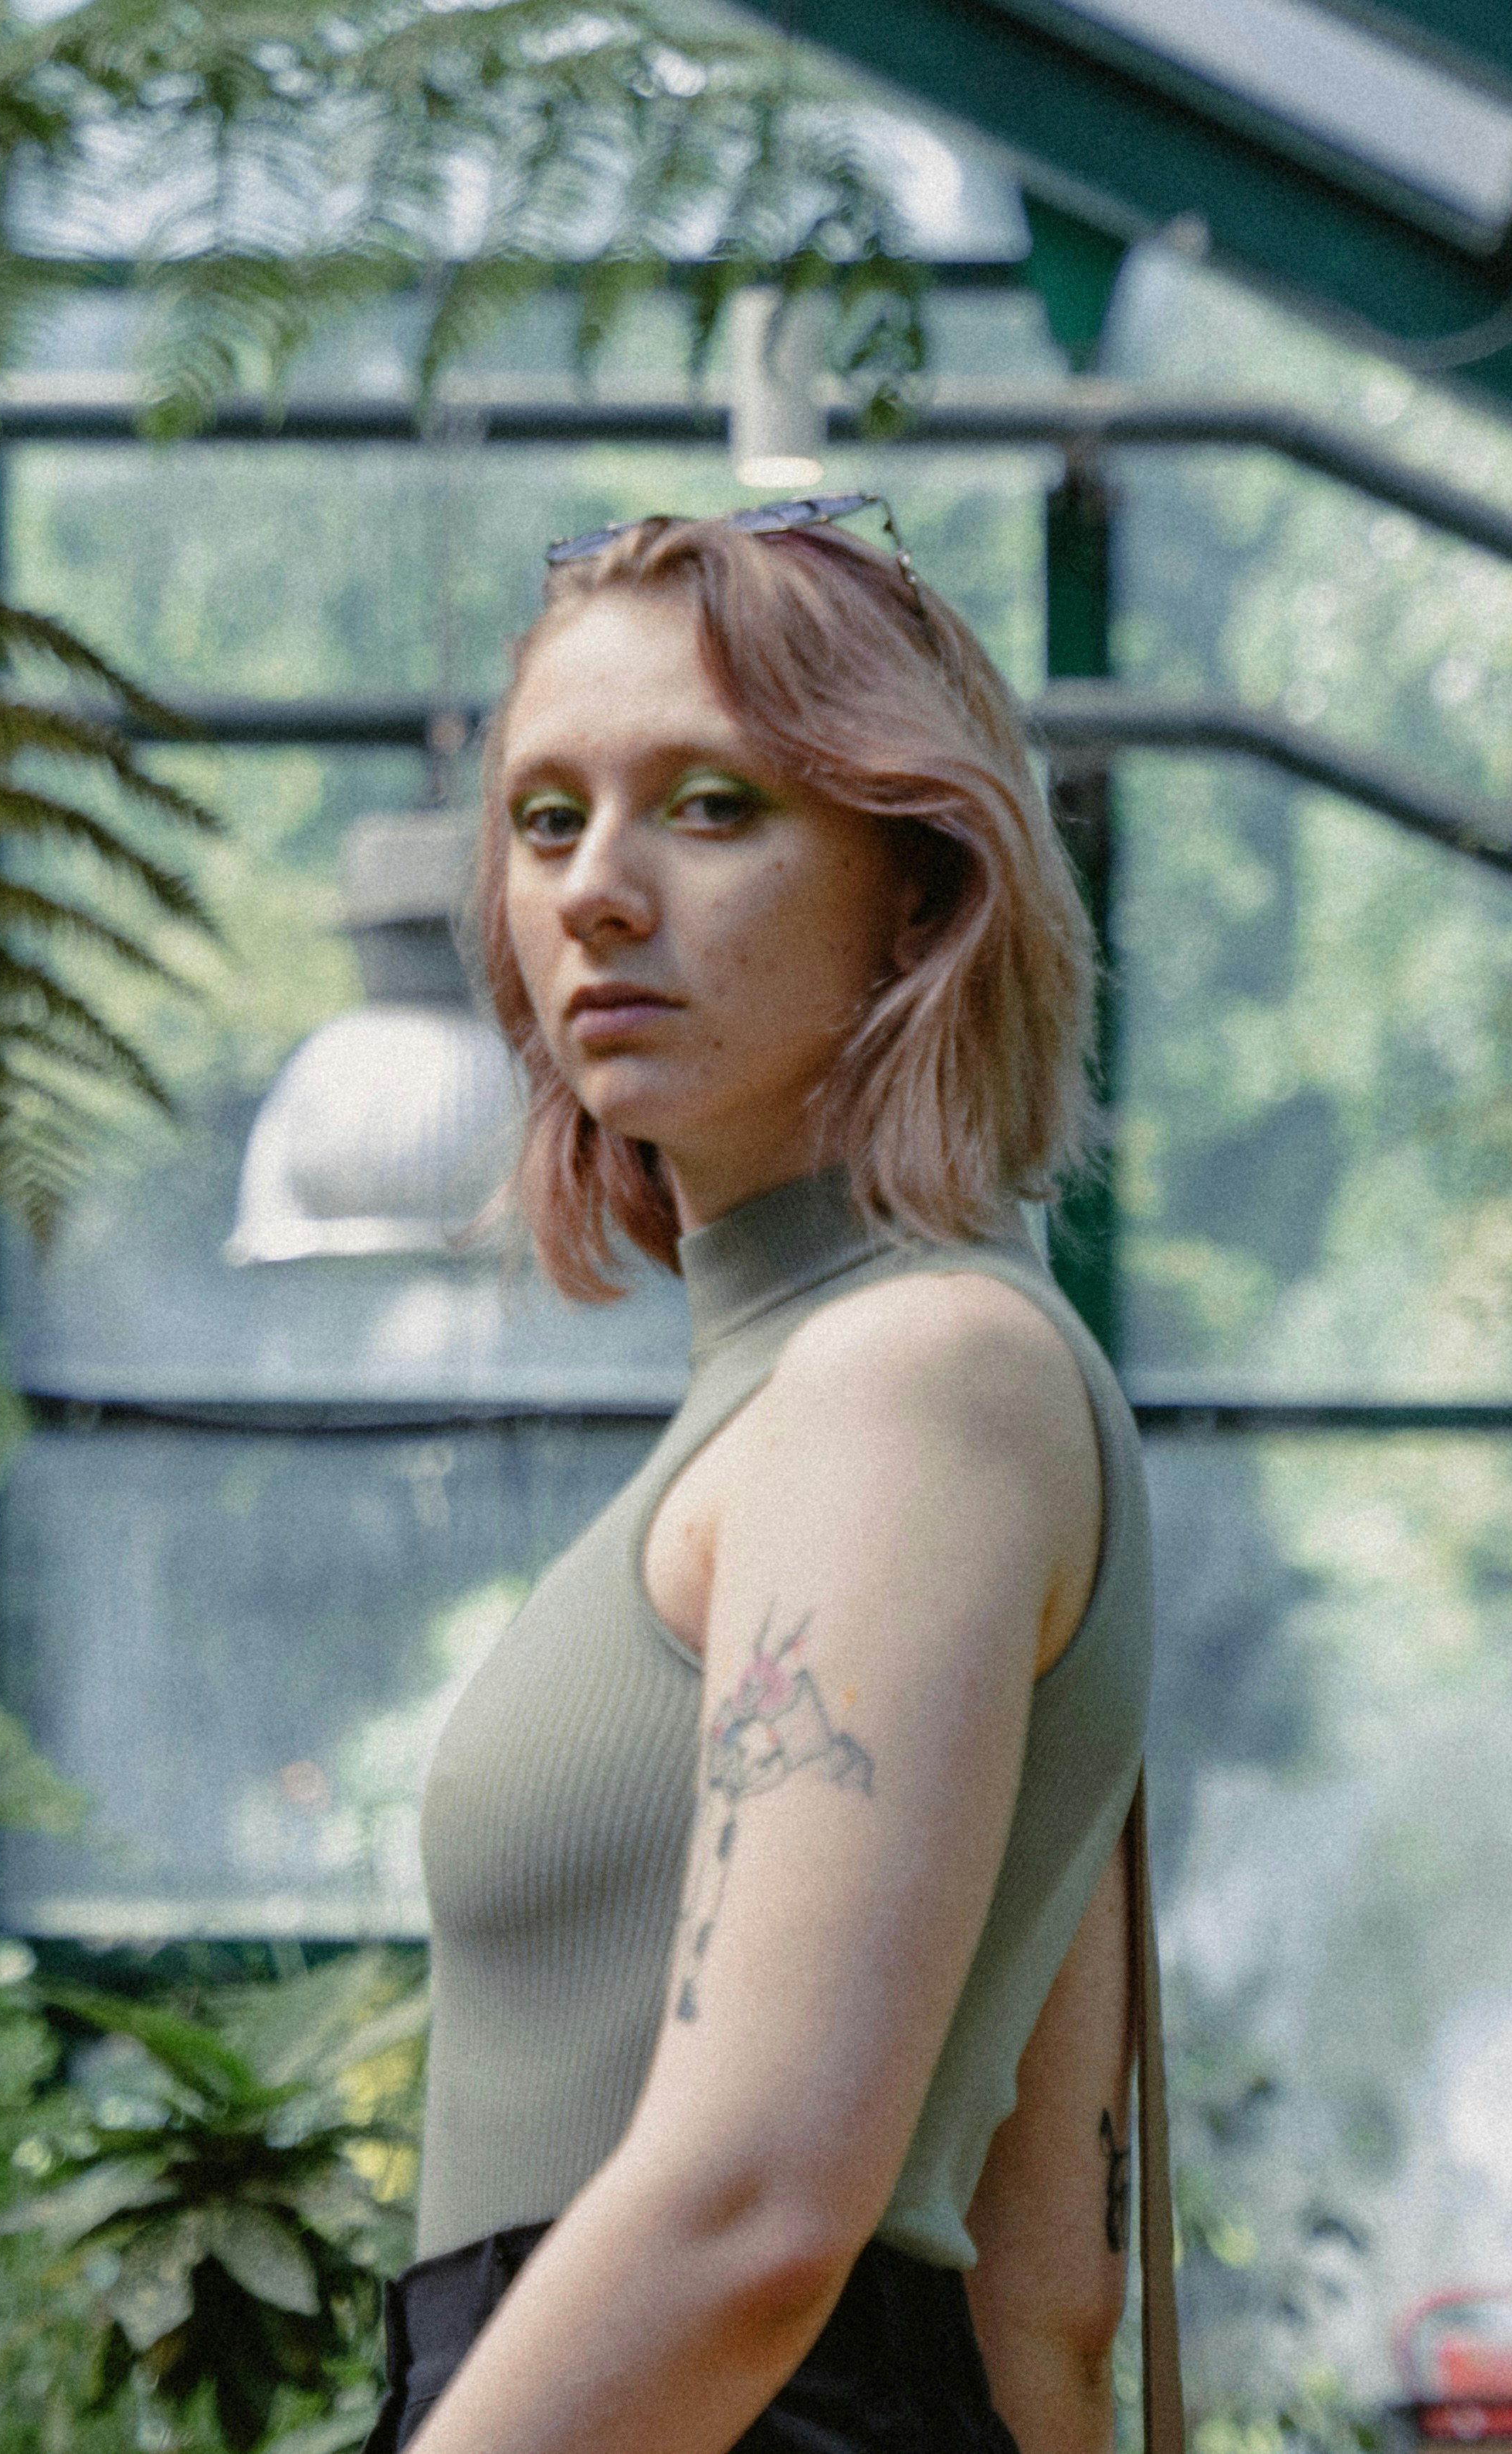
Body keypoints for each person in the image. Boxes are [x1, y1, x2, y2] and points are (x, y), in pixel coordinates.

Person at [370, 497, 1157, 2454]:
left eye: (709, 805)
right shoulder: (885, 1386)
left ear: (921, 884)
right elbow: (1047, 2298)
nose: (597, 891)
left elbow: (748, 2217)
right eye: (545, 821)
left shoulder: (908, 1380)